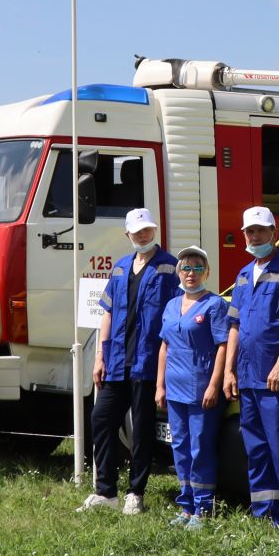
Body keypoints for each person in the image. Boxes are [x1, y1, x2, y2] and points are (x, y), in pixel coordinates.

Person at [80, 208, 179, 514]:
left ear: (155, 231)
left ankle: (135, 492)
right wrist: (100, 356)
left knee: (142, 427)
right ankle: (105, 492)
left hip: (148, 361)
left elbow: (178, 309)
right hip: (118, 360)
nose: (143, 235)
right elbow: (108, 314)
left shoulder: (170, 267)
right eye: (137, 232)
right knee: (101, 418)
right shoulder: (121, 268)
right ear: (128, 235)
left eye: (147, 230)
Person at [223, 206, 279, 527]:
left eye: (260, 230)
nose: (254, 236)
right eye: (249, 231)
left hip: (276, 380)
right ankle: (265, 514)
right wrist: (229, 371)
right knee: (256, 450)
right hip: (247, 378)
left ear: (274, 232)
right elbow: (234, 326)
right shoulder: (244, 275)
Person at [154, 245, 230, 528]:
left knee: (200, 447)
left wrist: (214, 385)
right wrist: (160, 385)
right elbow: (165, 346)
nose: (191, 273)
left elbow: (223, 346)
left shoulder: (215, 305)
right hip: (174, 388)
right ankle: (185, 506)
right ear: (178, 272)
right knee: (181, 447)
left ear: (207, 272)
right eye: (186, 267)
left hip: (201, 389)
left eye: (198, 268)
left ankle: (203, 508)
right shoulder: (172, 305)